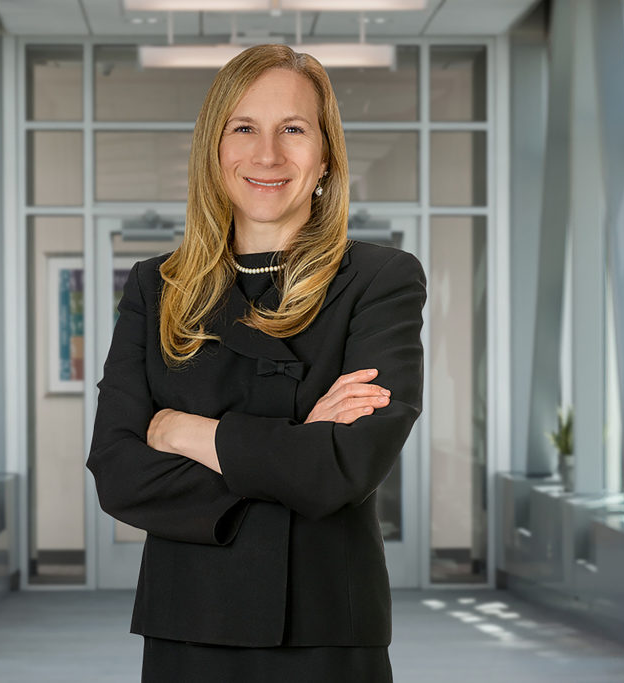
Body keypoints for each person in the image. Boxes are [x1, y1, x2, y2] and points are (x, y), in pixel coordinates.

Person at [87, 43, 426, 683]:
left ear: (324, 154)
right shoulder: (154, 288)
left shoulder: (381, 282)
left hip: (325, 629)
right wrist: (297, 448)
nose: (267, 155)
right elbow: (119, 471)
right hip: (190, 625)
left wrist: (187, 432)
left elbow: (343, 468)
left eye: (292, 129)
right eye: (244, 128)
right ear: (214, 150)